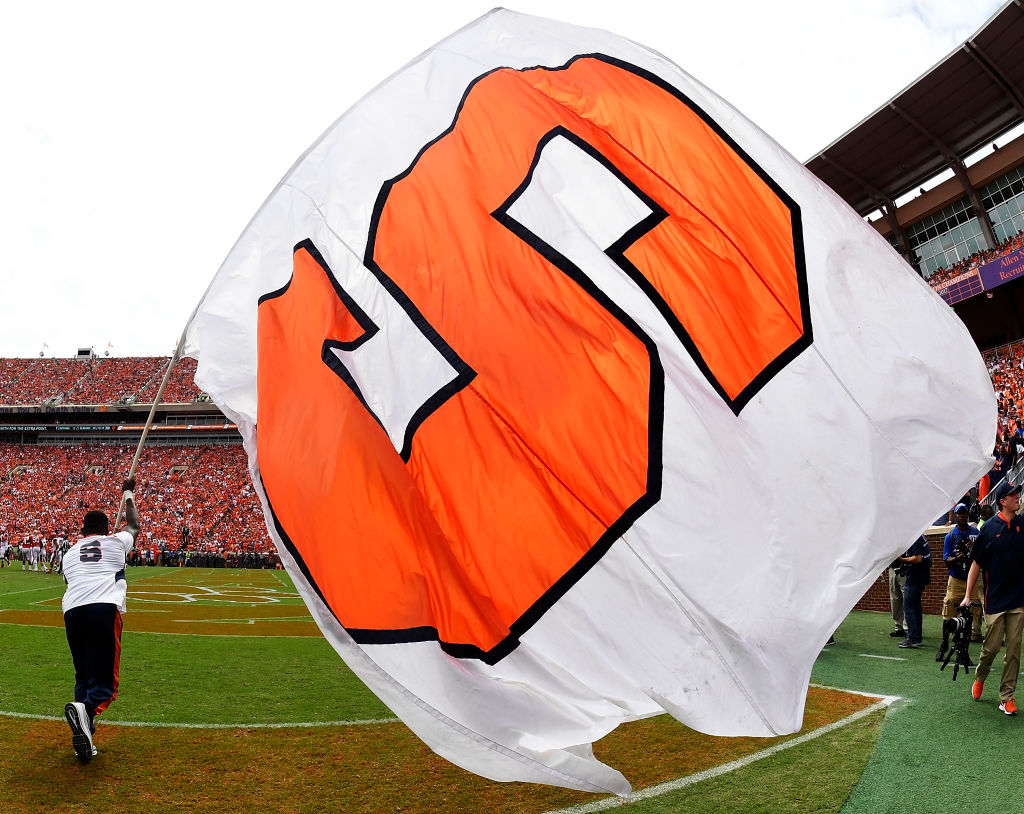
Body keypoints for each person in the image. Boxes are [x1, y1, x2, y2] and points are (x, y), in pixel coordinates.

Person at [61, 477, 140, 761]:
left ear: (82, 531)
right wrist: (128, 493)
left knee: (83, 674)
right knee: (106, 683)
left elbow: (68, 580)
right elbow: (134, 526)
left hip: (72, 610)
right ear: (107, 528)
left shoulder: (69, 553)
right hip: (103, 607)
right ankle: (88, 710)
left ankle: (85, 732)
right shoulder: (116, 541)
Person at [963, 481, 1024, 715]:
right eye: (1012, 495)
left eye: (1017, 493)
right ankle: (980, 676)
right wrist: (967, 596)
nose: (1017, 497)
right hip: (995, 600)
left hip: (1018, 599)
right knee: (991, 647)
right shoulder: (989, 528)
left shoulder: (1022, 525)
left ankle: (1006, 697)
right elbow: (976, 563)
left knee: (1015, 649)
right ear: (1002, 501)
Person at [937, 503, 982, 662]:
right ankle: (944, 644)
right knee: (948, 610)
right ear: (955, 516)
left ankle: (964, 651)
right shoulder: (950, 536)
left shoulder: (975, 533)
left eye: (964, 513)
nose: (962, 516)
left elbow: (982, 554)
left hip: (971, 578)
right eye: (959, 514)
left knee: (969, 615)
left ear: (967, 515)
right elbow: (946, 559)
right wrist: (958, 558)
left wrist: (973, 548)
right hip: (956, 578)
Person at [897, 534, 931, 649]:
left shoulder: (915, 537)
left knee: (908, 608)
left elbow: (918, 558)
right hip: (920, 577)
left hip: (915, 577)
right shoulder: (920, 536)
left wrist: (902, 559)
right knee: (916, 608)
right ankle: (917, 637)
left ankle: (912, 639)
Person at [887, 557, 907, 638]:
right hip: (892, 568)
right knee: (894, 599)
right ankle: (899, 627)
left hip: (904, 568)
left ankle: (908, 629)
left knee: (907, 599)